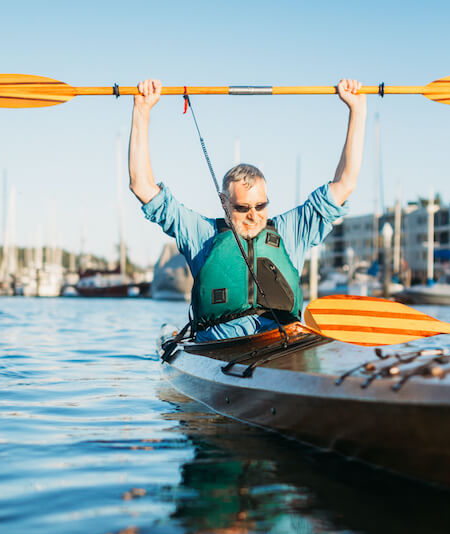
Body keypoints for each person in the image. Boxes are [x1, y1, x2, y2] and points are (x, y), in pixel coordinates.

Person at [129, 78, 367, 341]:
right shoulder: (201, 233)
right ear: (224, 203)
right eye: (242, 208)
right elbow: (142, 186)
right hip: (219, 347)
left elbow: (345, 183)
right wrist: (142, 109)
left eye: (261, 205)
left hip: (282, 340)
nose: (254, 215)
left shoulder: (292, 230)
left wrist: (357, 109)